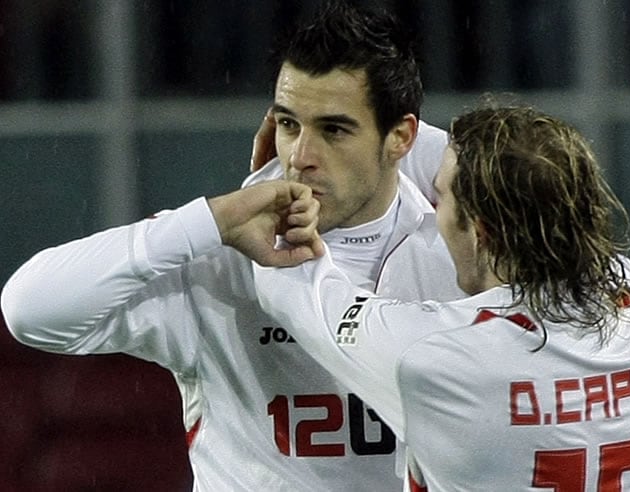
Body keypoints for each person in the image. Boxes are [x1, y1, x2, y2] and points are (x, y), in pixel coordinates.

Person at [0, 2, 464, 490]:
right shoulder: (214, 255)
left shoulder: (463, 250)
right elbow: (30, 311)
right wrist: (213, 218)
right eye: (288, 124)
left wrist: (451, 157)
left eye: (334, 129)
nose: (301, 157)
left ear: (402, 137)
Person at [252, 103, 630, 491]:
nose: (433, 207)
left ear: (479, 231)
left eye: (440, 195)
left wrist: (275, 180)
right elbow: (533, 170)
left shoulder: (435, 356)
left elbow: (292, 284)